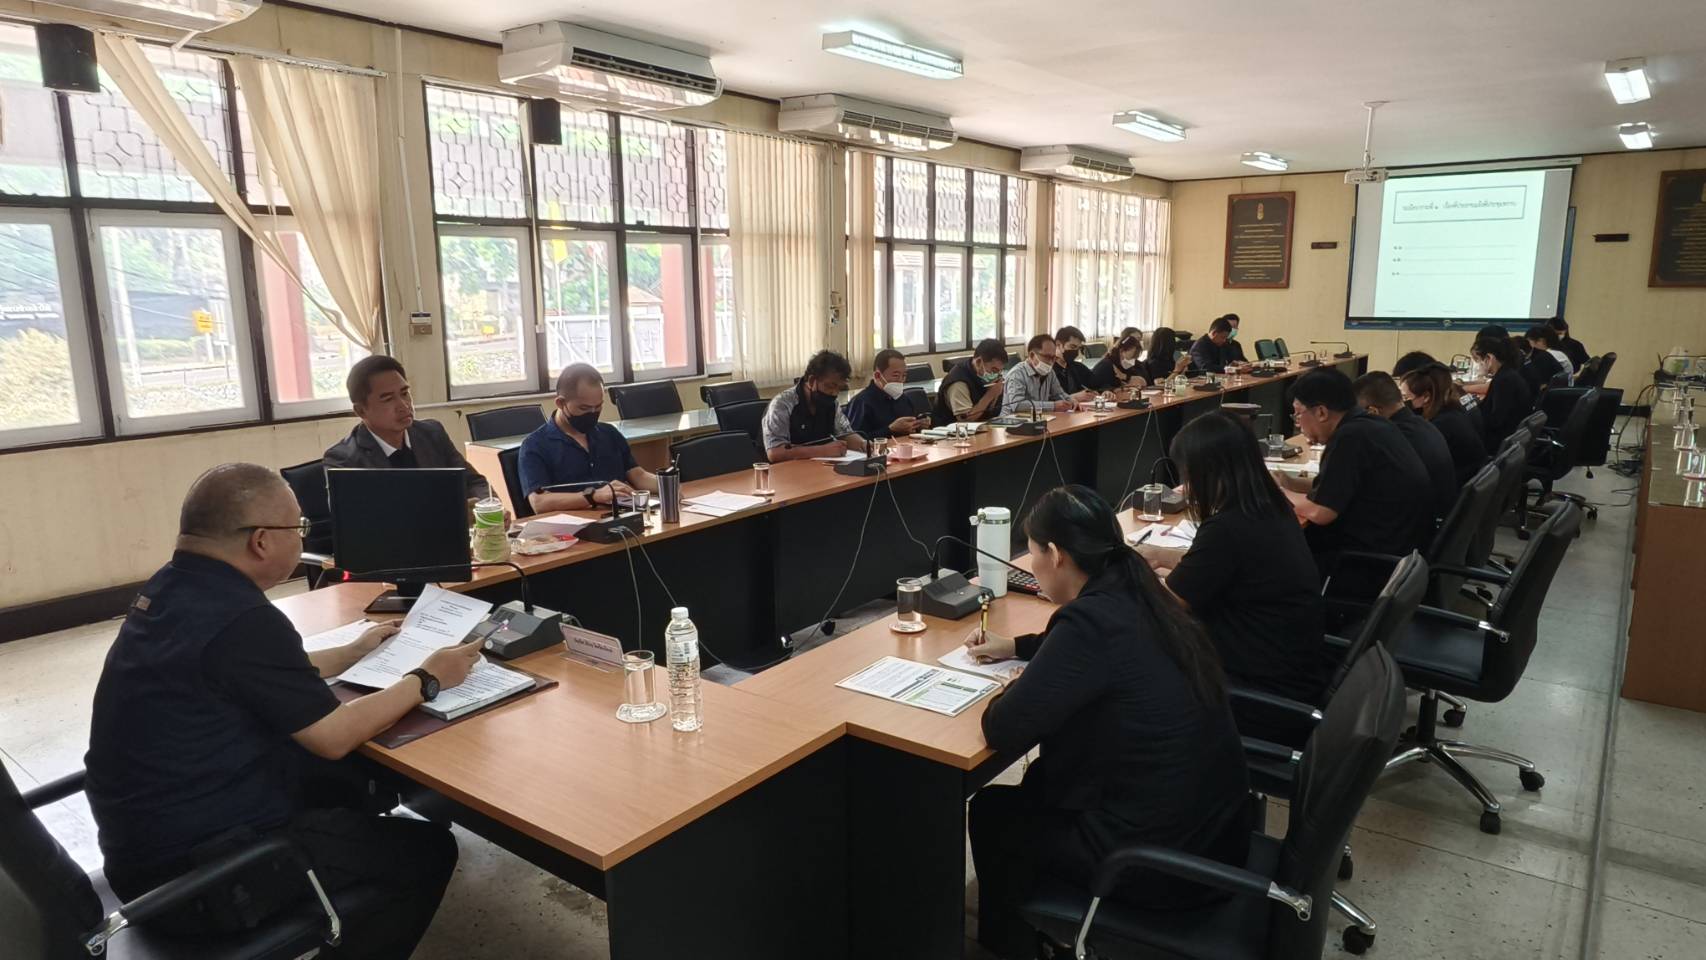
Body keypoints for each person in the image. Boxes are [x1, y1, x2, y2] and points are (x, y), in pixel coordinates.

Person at [84, 463, 478, 958]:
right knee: (428, 849)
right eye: (299, 527)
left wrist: (350, 653)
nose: (302, 537)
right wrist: (426, 678)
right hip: (208, 877)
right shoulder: (243, 617)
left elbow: (233, 670)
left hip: (141, 853)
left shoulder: (170, 587)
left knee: (345, 784)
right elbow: (333, 736)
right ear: (262, 541)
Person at [962, 485, 1251, 958]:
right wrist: (1017, 648)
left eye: (1032, 554)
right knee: (1036, 786)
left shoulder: (1090, 623)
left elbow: (1003, 727)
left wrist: (1020, 683)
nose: (1032, 566)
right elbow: (1089, 647)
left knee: (995, 811)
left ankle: (1012, 947)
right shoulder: (1138, 589)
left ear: (1056, 555)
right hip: (1215, 835)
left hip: (1158, 864)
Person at [1142, 412, 1330, 703]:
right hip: (1291, 664)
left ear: (1209, 472)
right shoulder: (1270, 506)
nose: (1187, 487)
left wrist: (1129, 573)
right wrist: (1160, 555)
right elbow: (1215, 570)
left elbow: (1170, 604)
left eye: (1187, 475)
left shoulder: (1228, 528)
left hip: (1258, 684)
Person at [1288, 368, 1433, 569]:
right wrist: (1290, 483)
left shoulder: (1350, 437)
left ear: (1321, 412)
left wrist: (1277, 492)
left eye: (1298, 413)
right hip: (1402, 550)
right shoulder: (1372, 424)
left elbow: (1321, 512)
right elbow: (1337, 487)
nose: (1298, 423)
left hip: (1371, 560)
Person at [323, 356, 489, 500]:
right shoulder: (343, 461)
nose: (403, 405)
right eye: (388, 399)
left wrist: (484, 508)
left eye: (404, 394)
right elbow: (358, 519)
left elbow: (474, 482)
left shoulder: (432, 433)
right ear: (361, 411)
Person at [519, 363, 659, 513]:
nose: (592, 413)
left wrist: (668, 483)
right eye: (584, 408)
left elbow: (638, 476)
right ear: (561, 403)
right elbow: (539, 502)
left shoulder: (609, 434)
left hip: (619, 518)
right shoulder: (535, 445)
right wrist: (593, 496)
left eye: (598, 407)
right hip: (572, 524)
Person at [1355, 372, 1458, 525]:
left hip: (1418, 526)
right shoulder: (1423, 424)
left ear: (1372, 412)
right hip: (1439, 518)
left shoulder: (1394, 438)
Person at [761, 350, 870, 462]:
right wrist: (823, 450)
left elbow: (845, 434)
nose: (835, 393)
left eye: (839, 388)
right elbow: (775, 453)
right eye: (830, 386)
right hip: (784, 469)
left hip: (819, 466)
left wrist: (865, 445)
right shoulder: (782, 404)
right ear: (812, 380)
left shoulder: (831, 404)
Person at [1399, 363, 1489, 486]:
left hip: (1459, 484)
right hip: (1472, 479)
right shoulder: (1452, 410)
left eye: (1405, 398)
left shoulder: (1441, 424)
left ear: (1426, 397)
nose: (1403, 403)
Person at [1471, 335, 1534, 453]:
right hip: (1510, 439)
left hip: (1499, 443)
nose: (1477, 365)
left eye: (1478, 360)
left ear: (1489, 358)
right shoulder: (1507, 374)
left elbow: (1495, 421)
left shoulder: (1504, 380)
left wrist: (1470, 413)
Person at [845, 348, 927, 439]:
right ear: (878, 376)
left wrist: (918, 425)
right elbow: (854, 440)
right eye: (896, 375)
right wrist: (890, 430)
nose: (901, 380)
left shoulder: (902, 398)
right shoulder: (861, 402)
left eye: (904, 376)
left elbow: (911, 428)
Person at [1004, 333, 1089, 415]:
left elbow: (1059, 394)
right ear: (1032, 355)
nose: (1050, 362)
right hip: (1011, 422)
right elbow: (1017, 405)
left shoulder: (1050, 372)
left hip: (1038, 419)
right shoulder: (1017, 374)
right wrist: (1053, 406)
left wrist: (1072, 401)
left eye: (1053, 358)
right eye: (1047, 357)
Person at [935, 337, 1008, 424]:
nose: (997, 374)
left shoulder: (986, 378)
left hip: (984, 427)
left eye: (1000, 371)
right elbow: (965, 420)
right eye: (994, 370)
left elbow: (992, 413)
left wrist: (996, 395)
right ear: (978, 362)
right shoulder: (958, 382)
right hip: (952, 430)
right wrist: (990, 395)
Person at [1052, 325, 1094, 393]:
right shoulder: (1049, 371)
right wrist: (1074, 397)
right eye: (1072, 347)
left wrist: (1105, 392)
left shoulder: (1078, 367)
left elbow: (1096, 383)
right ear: (1058, 344)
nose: (1076, 352)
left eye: (1078, 348)